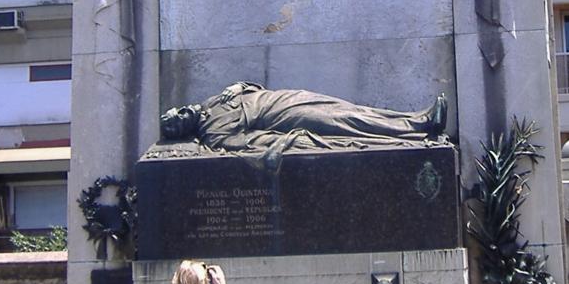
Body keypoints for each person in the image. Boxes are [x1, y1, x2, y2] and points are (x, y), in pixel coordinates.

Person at [159, 82, 449, 157]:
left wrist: (240, 85)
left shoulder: (211, 102)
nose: (182, 114)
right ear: (183, 131)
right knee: (347, 122)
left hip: (288, 97)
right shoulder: (213, 134)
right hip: (284, 118)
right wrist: (288, 141)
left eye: (178, 111)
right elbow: (250, 142)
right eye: (178, 121)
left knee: (351, 110)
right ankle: (420, 127)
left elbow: (253, 87)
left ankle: (415, 120)